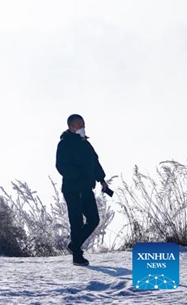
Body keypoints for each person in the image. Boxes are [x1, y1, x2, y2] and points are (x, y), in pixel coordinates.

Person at [55, 114, 111, 266]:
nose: (82, 126)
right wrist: (77, 176)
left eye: (83, 123)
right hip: (72, 188)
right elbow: (61, 166)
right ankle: (77, 256)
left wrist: (102, 180)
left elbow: (95, 161)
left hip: (86, 188)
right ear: (70, 127)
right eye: (78, 124)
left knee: (94, 219)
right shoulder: (64, 144)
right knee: (76, 221)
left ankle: (74, 245)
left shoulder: (85, 143)